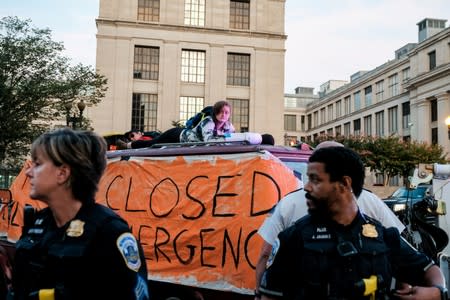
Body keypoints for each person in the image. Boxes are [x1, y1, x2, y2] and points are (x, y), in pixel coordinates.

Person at [258, 146, 446, 300]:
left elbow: (430, 270)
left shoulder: (383, 236)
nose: (306, 186)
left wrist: (437, 292)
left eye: (316, 179)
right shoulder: (294, 237)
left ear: (345, 184)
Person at [9, 128, 150, 300]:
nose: (28, 172)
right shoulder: (39, 223)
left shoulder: (109, 232)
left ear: (62, 173)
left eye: (38, 164)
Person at [117, 100, 237, 149]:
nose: (223, 115)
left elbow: (236, 139)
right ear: (215, 113)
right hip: (177, 135)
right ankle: (127, 146)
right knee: (153, 143)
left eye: (226, 112)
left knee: (154, 142)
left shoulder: (229, 126)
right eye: (221, 112)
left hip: (185, 141)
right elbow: (209, 141)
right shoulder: (208, 122)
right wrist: (227, 138)